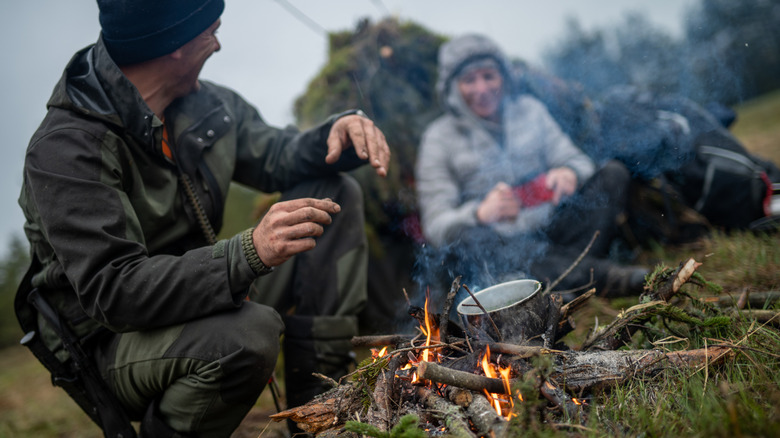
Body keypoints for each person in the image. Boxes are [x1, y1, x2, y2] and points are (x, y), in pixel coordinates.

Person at [16, 1, 390, 436]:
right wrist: (248, 253)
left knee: (332, 195)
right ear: (172, 43)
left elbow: (278, 154)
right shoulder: (64, 149)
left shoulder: (206, 106)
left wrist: (338, 131)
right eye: (210, 31)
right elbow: (114, 290)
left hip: (205, 295)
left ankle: (320, 418)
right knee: (246, 334)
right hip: (112, 342)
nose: (217, 43)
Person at [415, 34, 647, 303]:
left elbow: (579, 161)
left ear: (503, 77)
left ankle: (557, 284)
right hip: (499, 250)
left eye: (489, 76)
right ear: (452, 88)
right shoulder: (439, 137)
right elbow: (435, 225)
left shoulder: (531, 111)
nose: (482, 88)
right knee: (465, 239)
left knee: (612, 175)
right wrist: (479, 213)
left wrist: (569, 172)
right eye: (469, 80)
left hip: (554, 232)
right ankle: (606, 278)